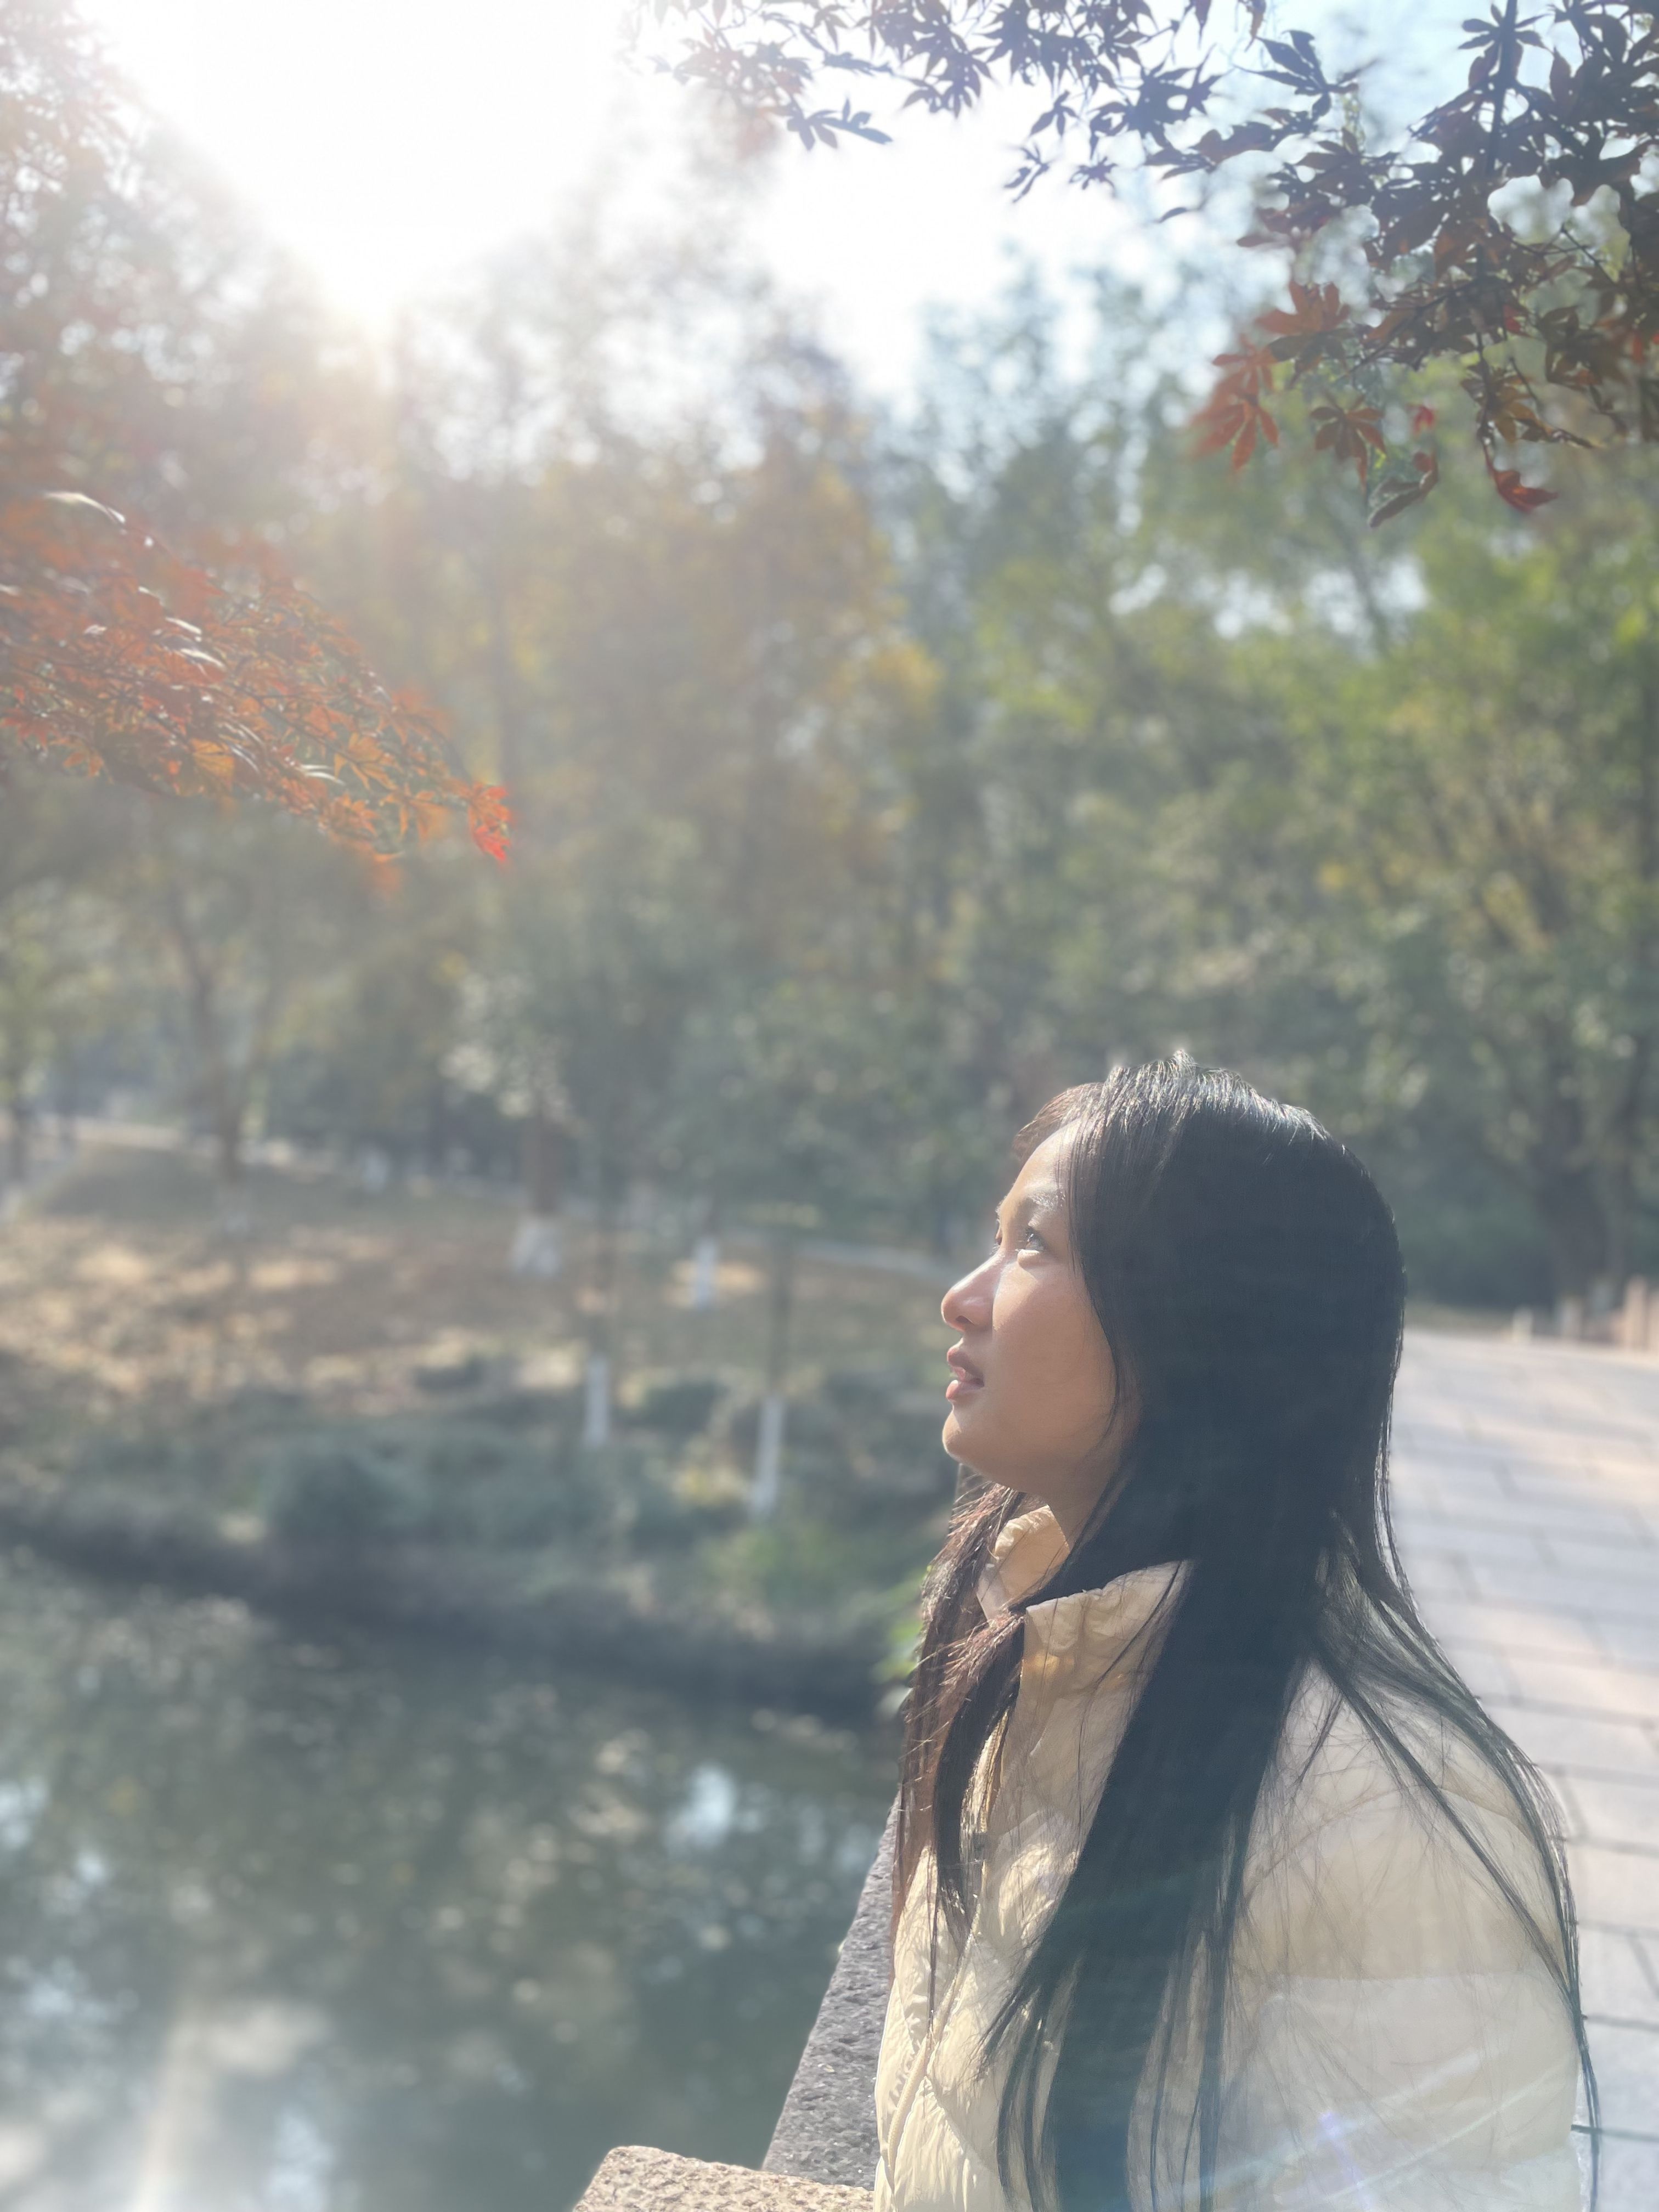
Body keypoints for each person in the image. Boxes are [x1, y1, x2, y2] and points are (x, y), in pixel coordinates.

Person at [876, 1058, 1594, 2211]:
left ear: (1203, 1321)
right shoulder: (1044, 1649)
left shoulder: (1381, 1814)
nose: (963, 1298)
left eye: (1033, 1245)